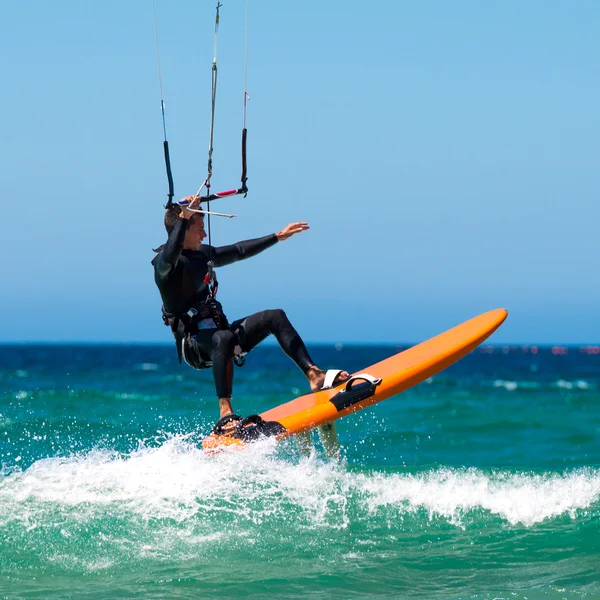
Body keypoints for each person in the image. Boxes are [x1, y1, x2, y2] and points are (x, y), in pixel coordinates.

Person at [152, 195, 349, 446]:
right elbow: (170, 252)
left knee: (274, 317)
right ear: (184, 227)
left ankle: (313, 374)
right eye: (199, 227)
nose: (204, 234)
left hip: (222, 339)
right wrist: (183, 216)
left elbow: (238, 250)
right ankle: (225, 412)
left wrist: (277, 236)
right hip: (195, 347)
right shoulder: (164, 267)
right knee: (222, 337)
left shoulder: (202, 255)